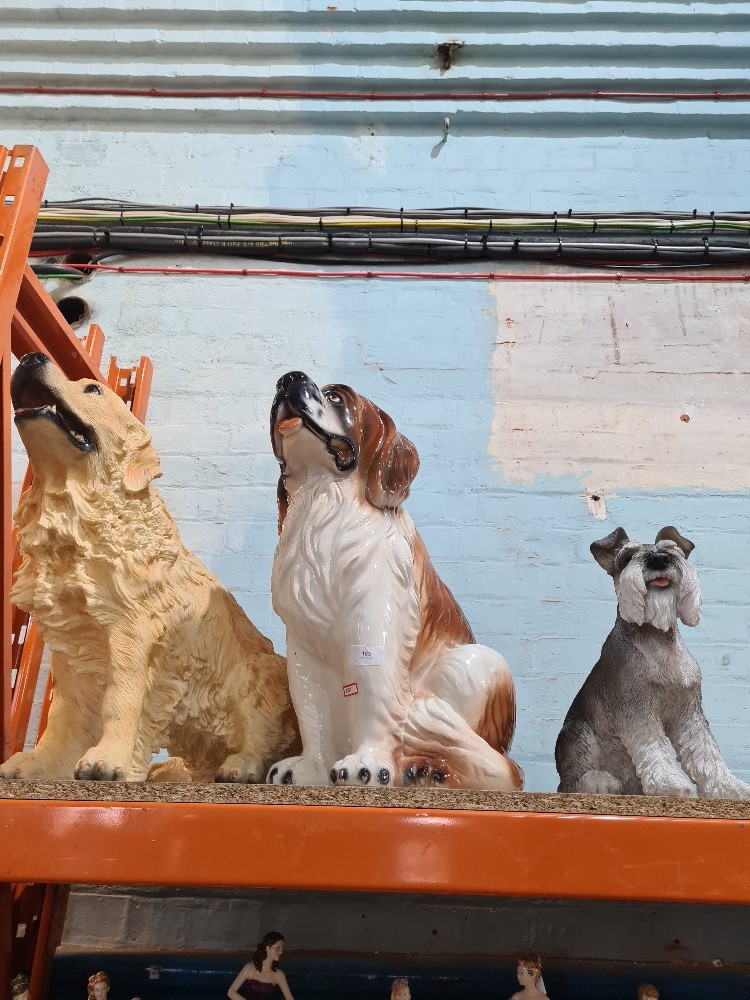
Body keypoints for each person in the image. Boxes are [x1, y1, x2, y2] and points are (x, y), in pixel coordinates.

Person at [228, 931, 294, 1000]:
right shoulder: (250, 968)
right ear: (268, 948)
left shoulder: (278, 975)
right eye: (278, 948)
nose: (281, 952)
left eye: (281, 949)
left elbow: (289, 998)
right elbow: (231, 992)